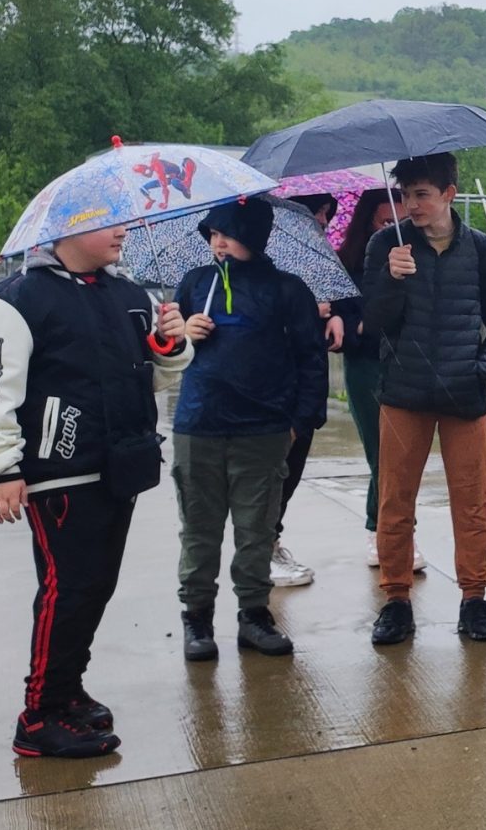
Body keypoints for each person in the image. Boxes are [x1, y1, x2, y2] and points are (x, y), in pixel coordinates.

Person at [0, 223, 191, 758]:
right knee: (68, 589)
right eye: (108, 222)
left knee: (96, 586)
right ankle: (39, 714)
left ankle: (66, 690)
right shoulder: (14, 301)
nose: (123, 231)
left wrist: (170, 343)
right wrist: (0, 468)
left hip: (120, 466)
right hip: (59, 472)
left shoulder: (130, 295)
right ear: (69, 226)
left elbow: (150, 376)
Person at [360, 152, 486, 646]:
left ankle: (474, 598)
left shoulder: (482, 250)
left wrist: (481, 370)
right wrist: (390, 278)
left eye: (422, 194)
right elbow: (374, 322)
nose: (411, 204)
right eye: (406, 195)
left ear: (449, 194)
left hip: (464, 396)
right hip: (402, 395)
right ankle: (395, 600)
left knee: (472, 503)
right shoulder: (386, 245)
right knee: (394, 501)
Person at [168, 196, 326, 661]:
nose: (219, 243)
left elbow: (311, 360)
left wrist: (299, 423)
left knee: (256, 529)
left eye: (230, 234)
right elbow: (163, 353)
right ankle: (197, 618)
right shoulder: (195, 283)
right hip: (199, 424)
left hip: (264, 429)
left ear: (254, 237)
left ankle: (254, 615)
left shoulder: (287, 290)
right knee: (199, 529)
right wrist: (181, 335)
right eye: (213, 234)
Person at [336, 189, 426, 575]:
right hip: (367, 365)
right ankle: (385, 531)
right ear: (368, 223)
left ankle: (394, 529)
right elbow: (344, 326)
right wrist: (361, 326)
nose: (394, 229)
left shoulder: (420, 258)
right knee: (383, 453)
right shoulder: (350, 264)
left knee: (405, 455)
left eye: (401, 221)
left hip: (410, 365)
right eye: (385, 222)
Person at [267, 192, 351, 590]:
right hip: (274, 383)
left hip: (308, 379)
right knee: (272, 470)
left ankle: (272, 539)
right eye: (317, 211)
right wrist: (304, 308)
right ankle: (262, 547)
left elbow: (339, 298)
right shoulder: (266, 258)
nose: (323, 220)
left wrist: (334, 314)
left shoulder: (319, 256)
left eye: (327, 214)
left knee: (293, 466)